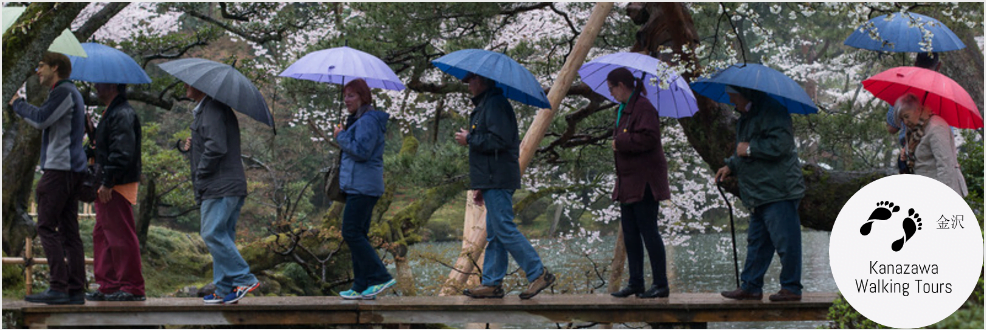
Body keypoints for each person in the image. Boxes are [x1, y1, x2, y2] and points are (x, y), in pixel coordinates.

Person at [455, 72, 555, 299]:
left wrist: (469, 139)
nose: (468, 86)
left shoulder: (496, 105)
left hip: (497, 177)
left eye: (470, 81)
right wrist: (481, 185)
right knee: (495, 234)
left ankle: (538, 273)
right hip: (492, 178)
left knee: (503, 228)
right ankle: (491, 283)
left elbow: (500, 140)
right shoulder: (487, 105)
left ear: (481, 80)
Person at [9, 52, 88, 305]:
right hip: (71, 169)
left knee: (45, 226)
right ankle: (75, 288)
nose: (38, 71)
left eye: (41, 66)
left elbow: (41, 119)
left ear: (55, 67)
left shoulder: (64, 92)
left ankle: (58, 286)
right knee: (69, 230)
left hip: (60, 169)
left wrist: (17, 103)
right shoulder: (71, 93)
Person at [715, 85, 806, 302]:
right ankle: (751, 286)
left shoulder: (773, 110)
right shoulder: (747, 116)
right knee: (757, 242)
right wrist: (731, 166)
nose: (730, 101)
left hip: (779, 189)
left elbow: (781, 145)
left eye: (732, 96)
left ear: (744, 92)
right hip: (759, 191)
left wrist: (750, 149)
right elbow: (742, 150)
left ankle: (791, 287)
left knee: (786, 241)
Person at [186, 83, 260, 304]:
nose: (184, 86)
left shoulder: (211, 110)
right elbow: (211, 144)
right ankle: (223, 288)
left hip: (219, 186)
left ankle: (244, 278)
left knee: (211, 234)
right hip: (226, 185)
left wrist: (201, 171)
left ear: (201, 86)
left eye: (188, 83)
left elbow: (216, 147)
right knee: (222, 236)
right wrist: (191, 148)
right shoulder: (210, 110)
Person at [605, 68, 671, 299]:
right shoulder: (625, 109)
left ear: (622, 85)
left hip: (644, 180)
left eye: (611, 88)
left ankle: (661, 283)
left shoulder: (643, 107)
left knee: (648, 232)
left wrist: (621, 141)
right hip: (627, 181)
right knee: (631, 234)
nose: (611, 93)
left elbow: (650, 137)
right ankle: (636, 282)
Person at [332, 78, 397, 300]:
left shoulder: (368, 121)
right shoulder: (359, 120)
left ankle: (380, 277)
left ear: (363, 97)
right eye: (345, 96)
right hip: (358, 185)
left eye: (351, 95)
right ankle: (360, 285)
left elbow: (362, 151)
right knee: (358, 234)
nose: (346, 100)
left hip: (364, 187)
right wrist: (345, 133)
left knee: (350, 232)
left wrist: (341, 136)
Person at [86, 83, 145, 302]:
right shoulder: (113, 112)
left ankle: (132, 286)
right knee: (102, 235)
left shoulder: (122, 113)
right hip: (109, 181)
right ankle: (109, 285)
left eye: (99, 84)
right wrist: (92, 132)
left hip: (115, 183)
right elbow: (105, 148)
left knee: (120, 235)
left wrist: (108, 181)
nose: (95, 87)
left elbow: (122, 152)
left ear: (111, 86)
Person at [894, 93, 968, 196]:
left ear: (918, 110)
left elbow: (945, 166)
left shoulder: (936, 128)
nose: (905, 122)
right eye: (902, 119)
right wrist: (906, 154)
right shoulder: (914, 129)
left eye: (907, 116)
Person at [887, 52, 942, 174]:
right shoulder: (944, 92)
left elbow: (892, 128)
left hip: (909, 154)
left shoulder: (904, 89)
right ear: (939, 66)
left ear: (916, 64)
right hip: (938, 155)